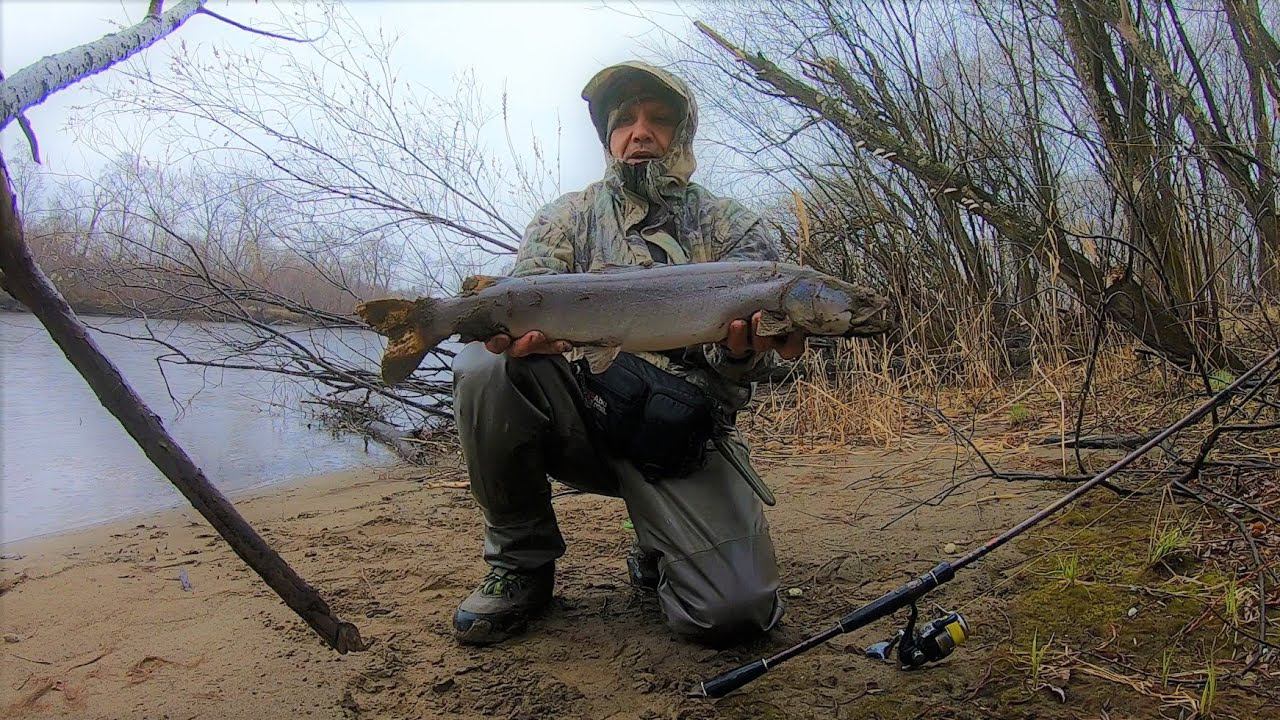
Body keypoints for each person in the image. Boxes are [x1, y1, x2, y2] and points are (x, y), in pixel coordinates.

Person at [451, 61, 806, 646]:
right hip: (586, 416)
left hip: (682, 435)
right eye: (625, 121)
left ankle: (660, 547)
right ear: (609, 136)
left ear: (682, 136)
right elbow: (525, 302)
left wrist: (743, 357)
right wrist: (509, 334)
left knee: (735, 614)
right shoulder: (565, 218)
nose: (640, 132)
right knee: (485, 366)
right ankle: (522, 563)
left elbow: (767, 369)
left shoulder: (732, 228)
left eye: (659, 120)